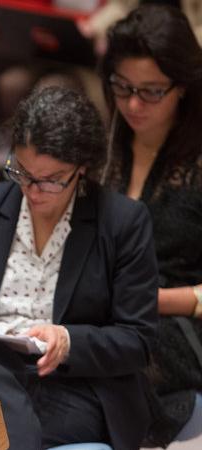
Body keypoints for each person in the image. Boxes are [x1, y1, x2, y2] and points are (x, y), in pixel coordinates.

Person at [0, 86, 158, 449]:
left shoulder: (122, 222)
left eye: (51, 180)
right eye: (22, 172)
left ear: (82, 169)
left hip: (71, 382)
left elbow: (137, 340)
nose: (33, 190)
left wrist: (69, 340)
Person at [99, 5, 202, 445]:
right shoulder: (108, 144)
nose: (133, 104)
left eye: (152, 92)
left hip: (179, 324)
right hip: (107, 310)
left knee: (115, 354)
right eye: (123, 87)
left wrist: (149, 299)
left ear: (184, 87)